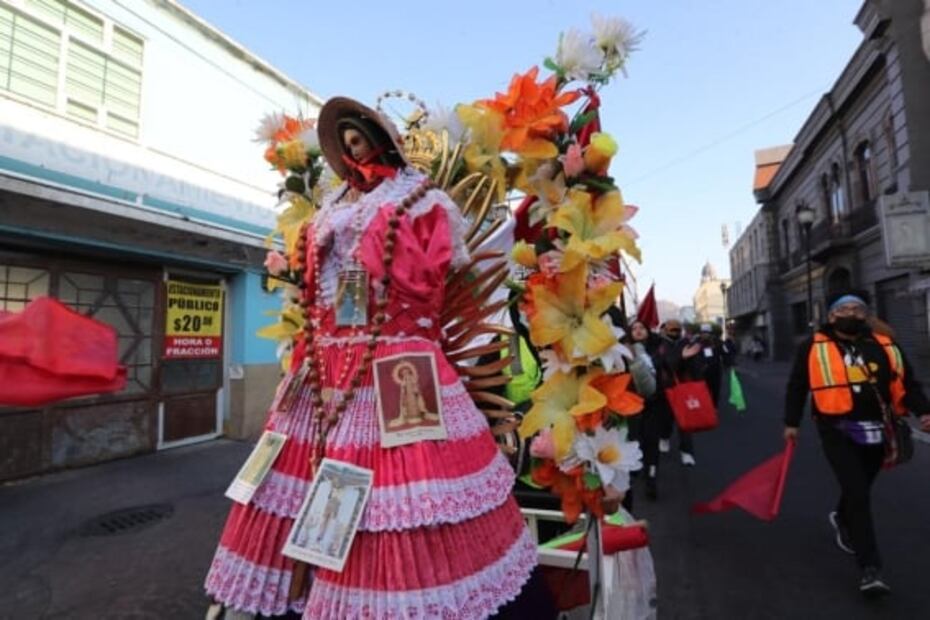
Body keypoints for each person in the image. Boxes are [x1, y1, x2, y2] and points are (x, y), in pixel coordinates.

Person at [204, 97, 537, 618]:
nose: (354, 148)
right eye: (347, 142)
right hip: (322, 369)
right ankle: (304, 585)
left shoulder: (422, 202)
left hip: (400, 365)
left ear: (379, 140)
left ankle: (398, 592)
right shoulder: (331, 206)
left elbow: (429, 277)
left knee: (408, 497)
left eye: (359, 138)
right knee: (301, 484)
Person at [784, 289, 930, 597]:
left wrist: (924, 411)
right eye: (844, 308)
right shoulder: (813, 346)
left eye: (858, 309)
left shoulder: (884, 345)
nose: (852, 313)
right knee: (858, 493)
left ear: (866, 315)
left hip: (878, 428)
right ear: (832, 314)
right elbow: (798, 385)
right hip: (836, 429)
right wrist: (791, 423)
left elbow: (907, 383)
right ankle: (870, 569)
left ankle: (841, 514)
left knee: (860, 485)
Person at [629, 320, 667, 499]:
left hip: (654, 405)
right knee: (636, 441)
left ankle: (651, 478)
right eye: (634, 329)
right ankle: (637, 469)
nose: (637, 331)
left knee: (652, 442)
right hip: (632, 405)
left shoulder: (657, 349)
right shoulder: (626, 351)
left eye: (641, 328)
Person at [657, 319, 696, 465]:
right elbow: (664, 363)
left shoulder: (686, 343)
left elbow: (695, 364)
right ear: (665, 330)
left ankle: (687, 452)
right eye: (672, 330)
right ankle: (664, 437)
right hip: (665, 389)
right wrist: (681, 357)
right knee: (666, 420)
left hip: (683, 389)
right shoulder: (659, 345)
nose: (675, 333)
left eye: (677, 330)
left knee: (684, 422)